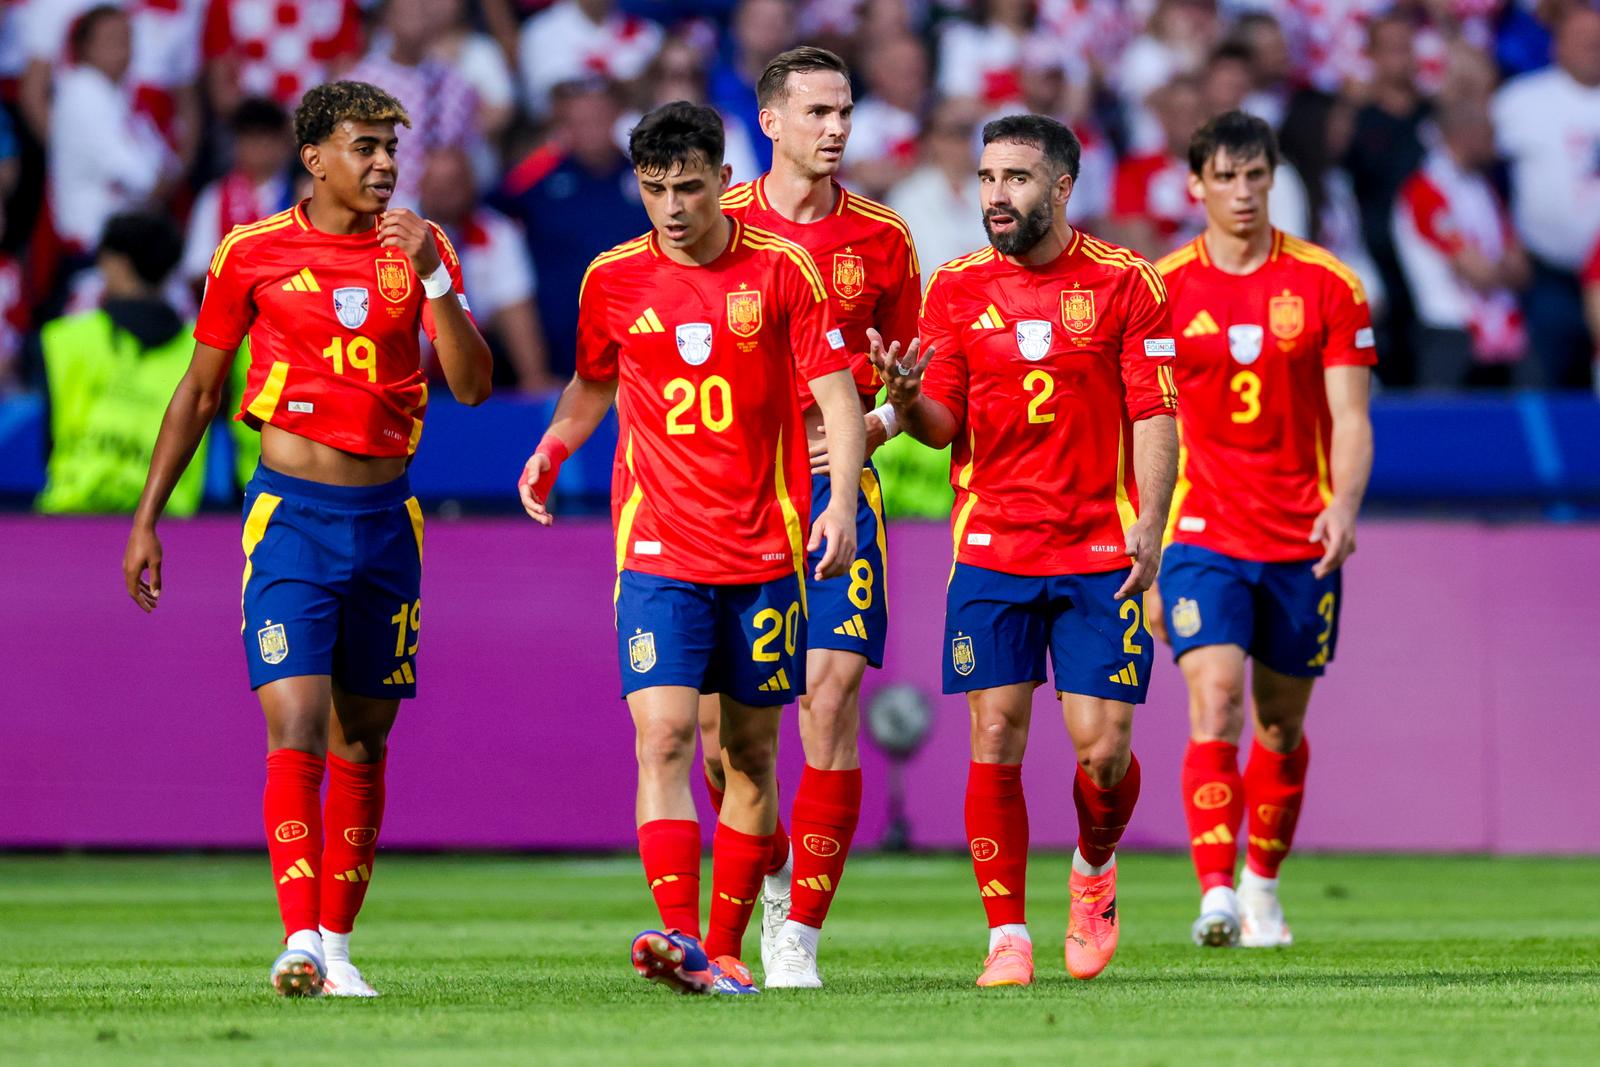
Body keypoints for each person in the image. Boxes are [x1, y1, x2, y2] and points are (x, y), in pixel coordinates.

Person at [122, 81, 493, 998]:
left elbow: (476, 386)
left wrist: (439, 280)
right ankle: (296, 939)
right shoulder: (251, 253)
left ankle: (336, 943)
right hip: (290, 516)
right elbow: (202, 392)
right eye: (363, 148)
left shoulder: (423, 250)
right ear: (315, 157)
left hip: (387, 522)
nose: (381, 165)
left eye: (389, 150)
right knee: (293, 722)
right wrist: (148, 515)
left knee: (362, 741)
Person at [516, 101, 864, 996]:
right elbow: (595, 381)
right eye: (656, 188)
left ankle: (725, 945)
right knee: (666, 736)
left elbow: (835, 397)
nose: (672, 207)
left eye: (689, 186)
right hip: (660, 551)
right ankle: (683, 942)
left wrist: (843, 511)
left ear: (722, 176)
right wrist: (553, 450)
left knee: (744, 758)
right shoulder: (613, 278)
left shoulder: (781, 270)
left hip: (763, 553)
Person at [874, 114, 1178, 988]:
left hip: (1096, 549)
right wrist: (904, 396)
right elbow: (941, 425)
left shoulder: (1126, 283)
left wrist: (1149, 521)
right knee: (996, 730)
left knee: (1102, 752)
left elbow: (1156, 412)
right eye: (986, 177)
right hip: (994, 547)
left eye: (1014, 178)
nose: (996, 195)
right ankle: (1007, 933)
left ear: (1061, 188)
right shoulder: (957, 287)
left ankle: (1092, 868)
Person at [706, 46, 921, 988]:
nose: (835, 129)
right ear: (771, 123)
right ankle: (778, 867)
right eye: (818, 112)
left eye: (845, 111)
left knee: (827, 699)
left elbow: (922, 384)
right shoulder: (717, 227)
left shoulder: (884, 239)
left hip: (839, 501)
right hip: (731, 505)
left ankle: (799, 935)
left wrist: (874, 422)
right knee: (720, 748)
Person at [1150, 110, 1375, 949]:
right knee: (1215, 702)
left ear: (1273, 180)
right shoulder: (1166, 287)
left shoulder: (1327, 284)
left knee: (1280, 724)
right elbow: (1144, 416)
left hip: (1299, 534)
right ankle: (1215, 892)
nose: (1243, 192)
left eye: (1257, 176)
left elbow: (1351, 415)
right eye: (1227, 176)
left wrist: (1344, 504)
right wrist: (1140, 522)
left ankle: (1263, 885)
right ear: (1196, 184)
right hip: (1200, 530)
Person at [34, 212, 209, 515]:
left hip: (70, 521)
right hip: (170, 528)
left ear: (117, 263)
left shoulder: (63, 339)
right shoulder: (203, 353)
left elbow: (47, 444)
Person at [1393, 100, 1532, 388]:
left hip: (1499, 332)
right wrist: (1499, 270)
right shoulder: (1427, 189)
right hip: (1450, 331)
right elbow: (1477, 272)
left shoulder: (1483, 188)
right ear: (1464, 134)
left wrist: (1499, 270)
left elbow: (1521, 268)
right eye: (1489, 132)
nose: (1497, 141)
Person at [180, 97, 298, 290]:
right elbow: (196, 270)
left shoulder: (303, 195)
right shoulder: (215, 197)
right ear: (237, 144)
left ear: (284, 145)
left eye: (265, 138)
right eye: (250, 138)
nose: (258, 148)